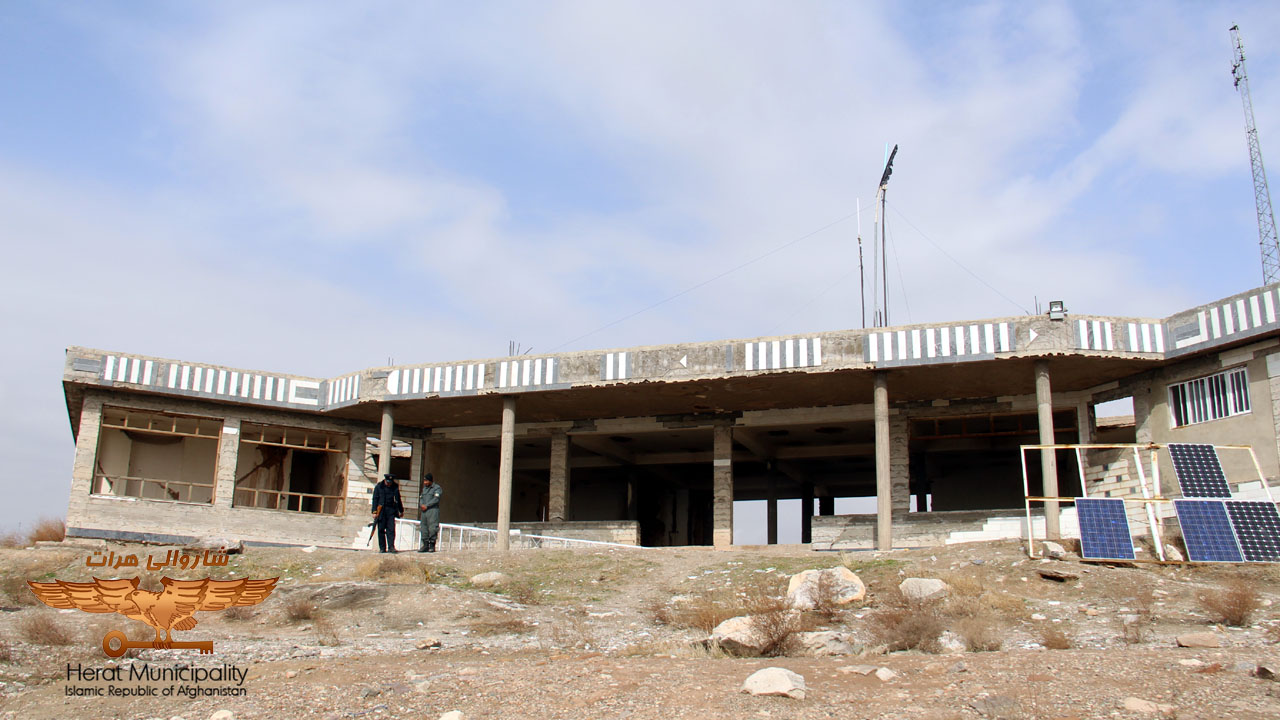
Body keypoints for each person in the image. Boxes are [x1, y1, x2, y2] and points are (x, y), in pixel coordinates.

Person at [372, 473, 403, 553]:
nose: (389, 484)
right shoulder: (379, 486)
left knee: (391, 529)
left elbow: (398, 499)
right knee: (381, 529)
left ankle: (391, 547)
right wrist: (374, 511)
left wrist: (401, 510)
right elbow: (375, 499)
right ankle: (382, 548)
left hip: (391, 510)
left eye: (390, 482)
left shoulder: (395, 487)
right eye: (388, 482)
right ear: (385, 480)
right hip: (381, 510)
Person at [418, 472, 442, 553]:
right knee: (423, 528)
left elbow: (436, 499)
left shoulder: (437, 488)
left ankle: (432, 545)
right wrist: (421, 505)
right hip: (424, 511)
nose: (425, 483)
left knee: (432, 528)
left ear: (430, 481)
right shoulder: (424, 489)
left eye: (426, 481)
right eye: (424, 481)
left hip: (432, 510)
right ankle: (425, 545)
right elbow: (421, 498)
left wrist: (427, 505)